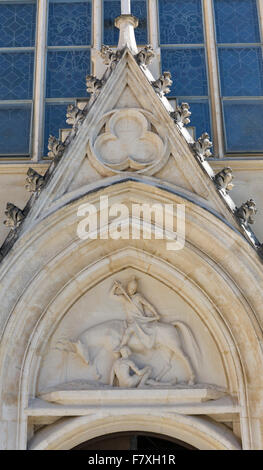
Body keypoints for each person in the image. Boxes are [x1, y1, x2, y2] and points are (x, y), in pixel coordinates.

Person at [111, 277, 160, 349]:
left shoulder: (138, 297)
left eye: (134, 289)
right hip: (131, 320)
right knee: (129, 327)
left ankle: (121, 346)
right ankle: (122, 345)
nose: (132, 290)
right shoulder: (124, 298)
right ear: (127, 288)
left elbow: (148, 305)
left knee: (129, 330)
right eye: (131, 289)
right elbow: (111, 295)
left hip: (140, 319)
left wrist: (156, 314)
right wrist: (114, 287)